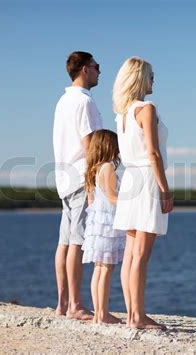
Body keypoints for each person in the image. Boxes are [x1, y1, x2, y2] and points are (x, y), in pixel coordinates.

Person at [112, 57, 174, 330]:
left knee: (130, 254)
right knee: (141, 255)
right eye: (150, 76)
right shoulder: (146, 109)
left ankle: (131, 314)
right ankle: (137, 316)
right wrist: (165, 189)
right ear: (139, 79)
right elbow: (153, 153)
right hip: (147, 180)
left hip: (129, 180)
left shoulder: (122, 114)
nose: (153, 81)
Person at [53, 51, 103, 320]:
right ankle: (75, 305)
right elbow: (90, 145)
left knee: (65, 242)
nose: (99, 71)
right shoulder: (84, 102)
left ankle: (62, 304)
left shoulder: (63, 101)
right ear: (85, 69)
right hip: (81, 177)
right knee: (77, 241)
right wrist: (95, 179)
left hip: (64, 179)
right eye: (97, 66)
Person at [81, 129, 125, 324]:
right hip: (108, 226)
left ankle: (98, 313)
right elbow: (112, 197)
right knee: (107, 268)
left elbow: (91, 202)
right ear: (109, 146)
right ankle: (103, 313)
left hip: (96, 226)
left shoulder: (92, 170)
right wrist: (132, 203)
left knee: (99, 268)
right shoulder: (107, 167)